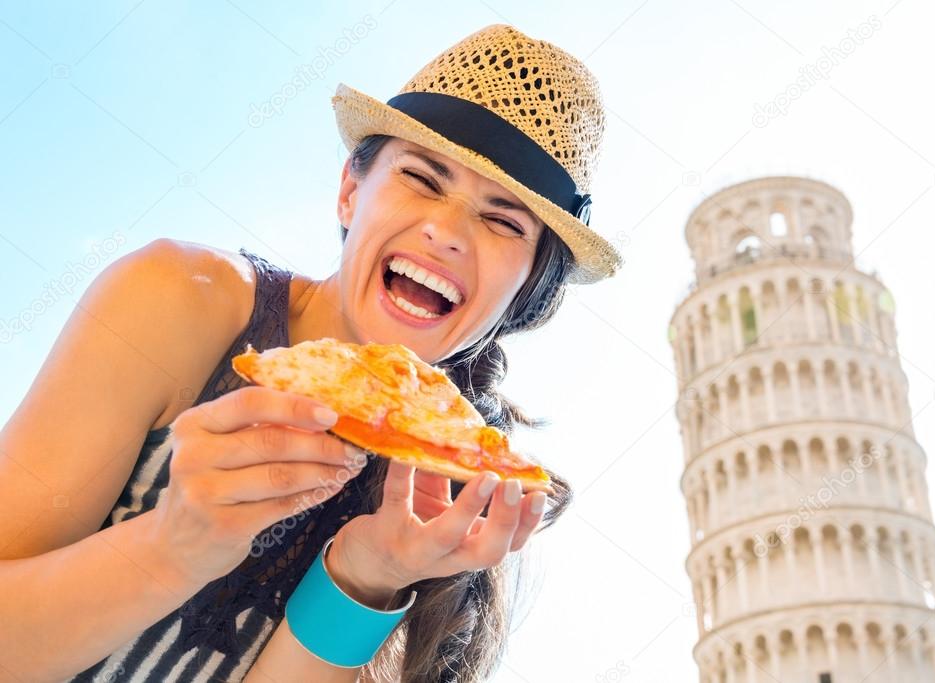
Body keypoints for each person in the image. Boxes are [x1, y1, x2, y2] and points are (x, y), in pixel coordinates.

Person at [0, 23, 622, 683]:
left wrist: (364, 577)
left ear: (527, 287)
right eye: (422, 178)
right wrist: (171, 548)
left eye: (502, 220)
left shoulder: (453, 516)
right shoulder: (180, 299)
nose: (445, 231)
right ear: (350, 191)